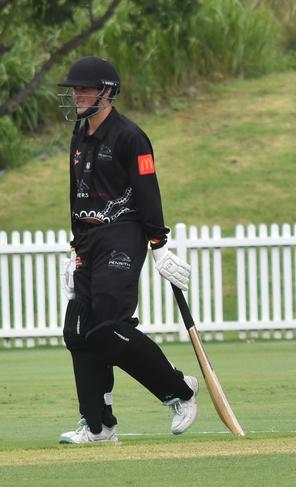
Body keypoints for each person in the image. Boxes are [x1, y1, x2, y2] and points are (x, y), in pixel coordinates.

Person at [57, 56, 198, 444]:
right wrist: (74, 247)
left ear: (107, 91)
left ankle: (179, 391)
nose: (77, 96)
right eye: (74, 90)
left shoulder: (131, 136)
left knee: (107, 329)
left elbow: (148, 192)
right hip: (89, 241)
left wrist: (159, 246)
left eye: (84, 89)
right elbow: (76, 194)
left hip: (123, 235)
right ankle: (99, 425)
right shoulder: (79, 135)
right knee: (77, 331)